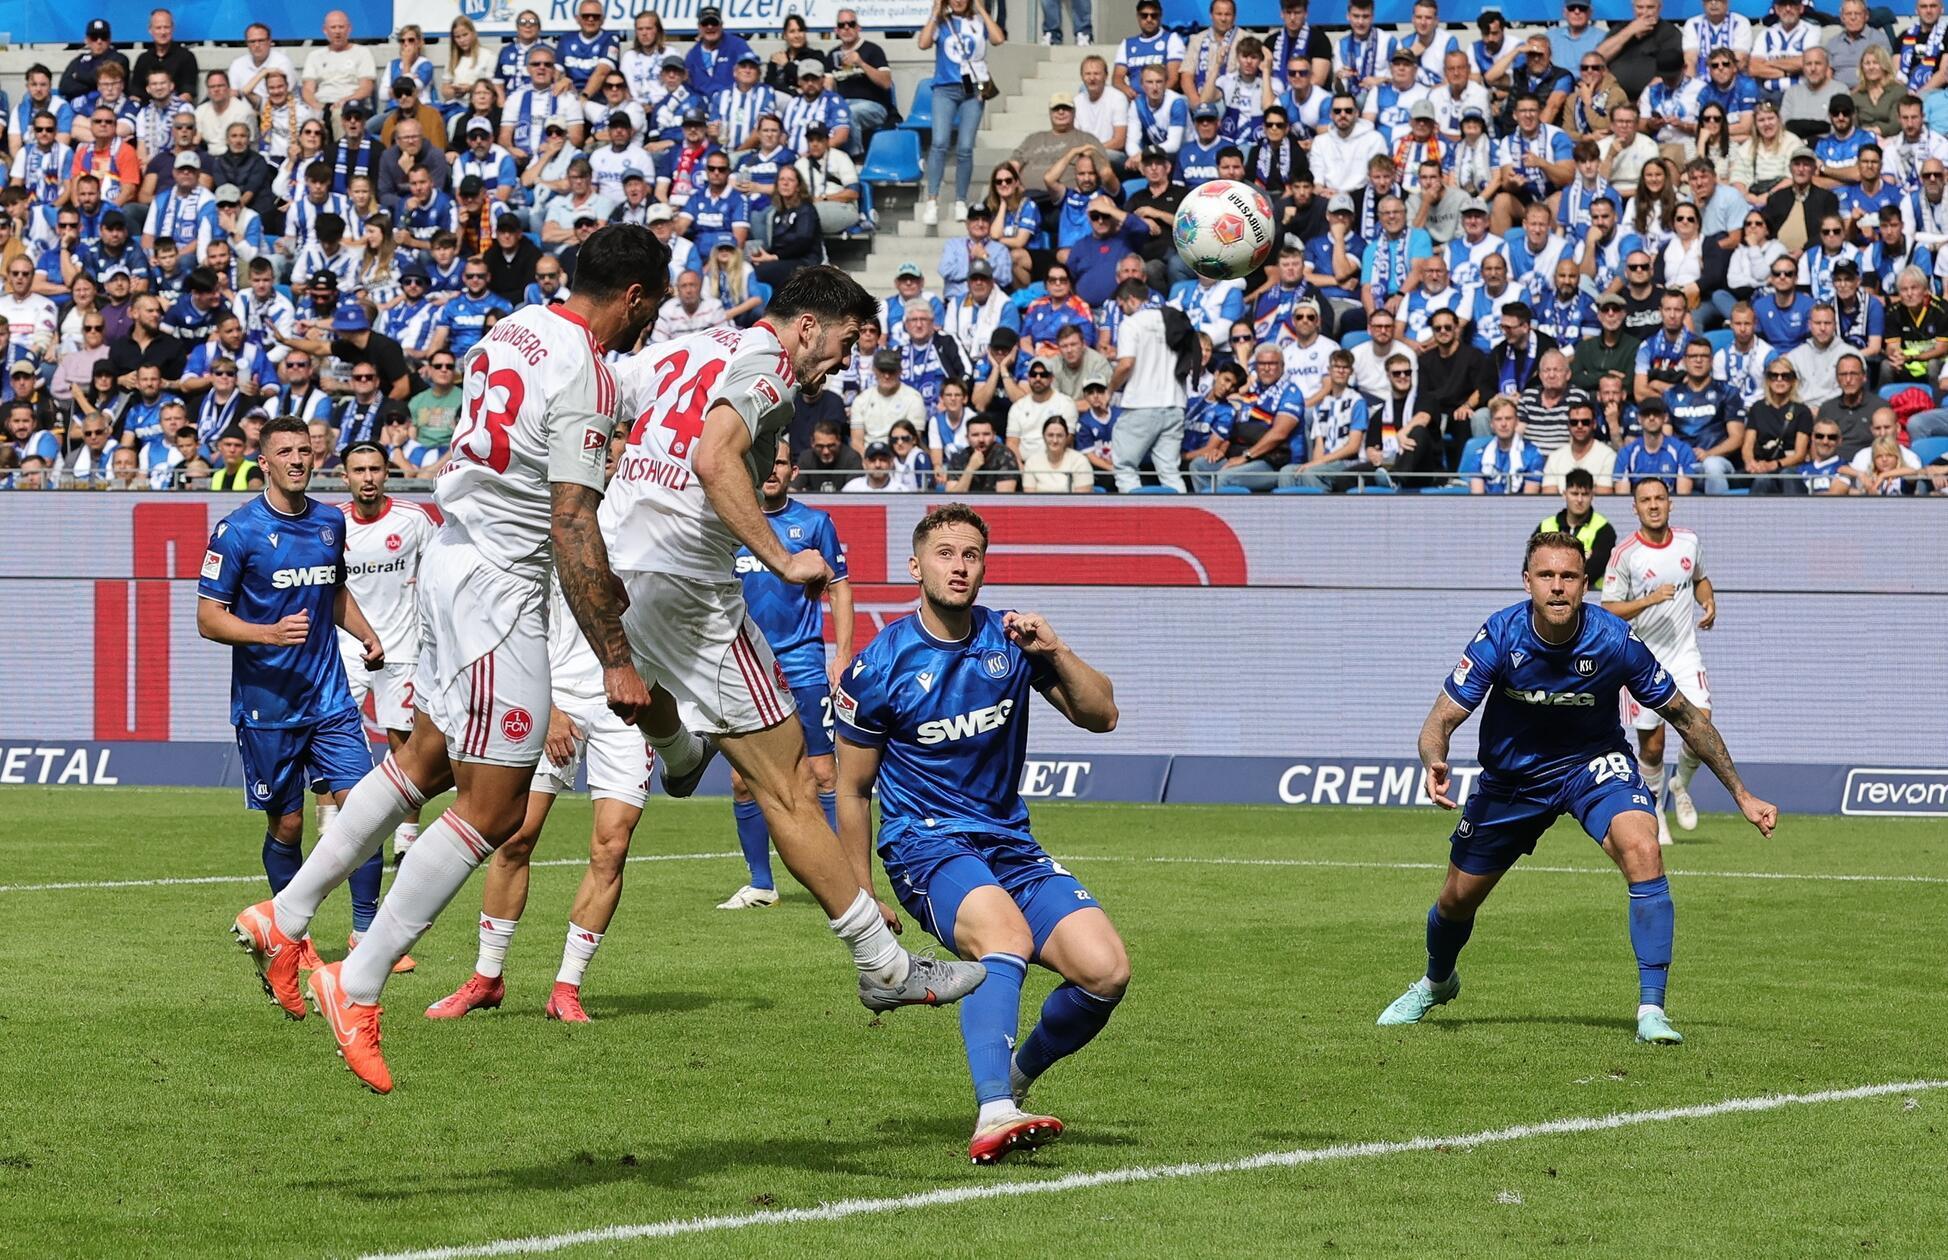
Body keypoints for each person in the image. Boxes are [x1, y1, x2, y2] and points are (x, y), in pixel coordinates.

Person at [228, 227, 687, 1094]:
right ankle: (355, 984)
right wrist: (616, 659)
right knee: (497, 804)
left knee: (425, 759)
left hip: (449, 557)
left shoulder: (511, 328)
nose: (651, 321)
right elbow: (572, 523)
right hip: (500, 586)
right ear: (632, 294)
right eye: (653, 304)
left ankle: (283, 914)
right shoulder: (586, 370)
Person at [602, 260, 988, 996]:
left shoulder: (699, 344)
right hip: (688, 584)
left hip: (614, 562)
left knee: (460, 776)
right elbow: (713, 458)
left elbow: (612, 391)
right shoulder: (773, 367)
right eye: (843, 344)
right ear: (807, 326)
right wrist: (779, 556)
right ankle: (887, 968)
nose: (842, 363)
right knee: (788, 785)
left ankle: (679, 750)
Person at [1377, 529, 1774, 1044]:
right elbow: (1440, 719)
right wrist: (1435, 759)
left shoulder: (1614, 640)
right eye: (1547, 576)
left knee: (1643, 847)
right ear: (1528, 582)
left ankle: (1651, 1011)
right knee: (1455, 902)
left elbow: (1685, 716)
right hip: (1513, 779)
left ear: (1586, 584)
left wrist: (1742, 793)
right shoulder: (1500, 635)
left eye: (1569, 576)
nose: (1558, 587)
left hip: (1593, 765)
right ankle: (1436, 982)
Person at [834, 503, 1126, 1164]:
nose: (959, 566)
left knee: (1106, 972)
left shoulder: (1012, 641)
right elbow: (850, 790)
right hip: (924, 845)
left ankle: (1012, 1080)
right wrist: (861, 896)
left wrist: (1055, 651)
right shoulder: (878, 668)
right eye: (945, 553)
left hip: (1009, 844)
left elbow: (1103, 715)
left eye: (971, 555)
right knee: (1005, 938)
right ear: (915, 566)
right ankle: (993, 1111)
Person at [201, 417, 388, 994]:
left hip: (329, 698)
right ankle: (292, 940)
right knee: (287, 824)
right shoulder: (236, 532)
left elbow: (332, 593)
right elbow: (208, 619)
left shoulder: (331, 522)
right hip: (267, 708)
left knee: (367, 812)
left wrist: (365, 633)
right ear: (265, 462)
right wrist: (267, 634)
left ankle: (366, 936)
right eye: (285, 452)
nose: (298, 460)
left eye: (305, 451)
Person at [424, 574, 656, 1024]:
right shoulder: (559, 523)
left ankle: (567, 989)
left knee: (612, 847)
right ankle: (486, 978)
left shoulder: (650, 523)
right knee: (515, 835)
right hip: (554, 695)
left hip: (629, 697)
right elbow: (514, 624)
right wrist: (545, 705)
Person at [710, 439, 856, 908]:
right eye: (764, 463)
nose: (771, 471)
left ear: (794, 470)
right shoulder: (731, 520)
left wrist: (843, 654)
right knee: (741, 779)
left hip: (803, 664)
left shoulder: (814, 524)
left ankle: (845, 879)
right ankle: (760, 884)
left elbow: (840, 588)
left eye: (780, 463)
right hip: (746, 665)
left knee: (821, 773)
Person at [324, 443, 436, 863]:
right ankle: (331, 834)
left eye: (375, 469)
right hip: (346, 646)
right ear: (344, 476)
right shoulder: (330, 523)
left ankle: (406, 839)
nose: (367, 477)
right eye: (359, 470)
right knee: (330, 735)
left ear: (386, 473)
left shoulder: (414, 519)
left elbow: (436, 574)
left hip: (403, 646)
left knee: (405, 742)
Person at [1602, 480, 1719, 846]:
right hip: (1642, 659)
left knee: (1701, 724)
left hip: (1684, 653)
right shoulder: (1625, 554)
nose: (1654, 505)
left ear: (1671, 503)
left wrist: (1709, 602)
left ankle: (1679, 783)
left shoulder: (1689, 541)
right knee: (1652, 747)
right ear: (1635, 508)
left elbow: (1699, 579)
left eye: (1660, 499)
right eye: (1645, 500)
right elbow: (1609, 608)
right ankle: (1654, 809)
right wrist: (1649, 600)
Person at [919, 0, 1005, 227]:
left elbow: (998, 39)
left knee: (965, 147)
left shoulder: (977, 21)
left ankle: (960, 200)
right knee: (939, 142)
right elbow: (923, 43)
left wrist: (982, 10)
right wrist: (935, 12)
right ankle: (932, 200)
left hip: (972, 91)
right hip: (945, 89)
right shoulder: (942, 21)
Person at [1107, 277, 1186, 491]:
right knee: (1169, 470)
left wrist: (1110, 390)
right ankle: (1182, 520)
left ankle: (1133, 521)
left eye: (1121, 305)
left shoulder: (1131, 324)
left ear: (1131, 299)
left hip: (1142, 404)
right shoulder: (1172, 320)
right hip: (1175, 403)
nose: (1121, 310)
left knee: (1124, 466)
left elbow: (1125, 364)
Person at [1536, 467, 1616, 587]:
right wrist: (1581, 559)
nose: (1579, 500)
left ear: (1592, 496)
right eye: (1574, 494)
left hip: (1591, 598)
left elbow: (1593, 571)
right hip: (1549, 598)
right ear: (1564, 494)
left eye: (1584, 494)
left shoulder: (1604, 529)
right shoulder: (1545, 526)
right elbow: (1530, 567)